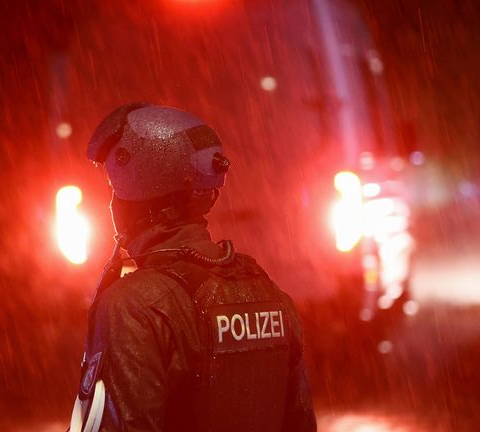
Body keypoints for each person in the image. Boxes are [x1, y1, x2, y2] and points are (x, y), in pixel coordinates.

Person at [69, 103, 316, 432]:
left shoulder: (132, 307)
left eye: (115, 191)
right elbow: (300, 423)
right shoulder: (270, 295)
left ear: (141, 200)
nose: (112, 203)